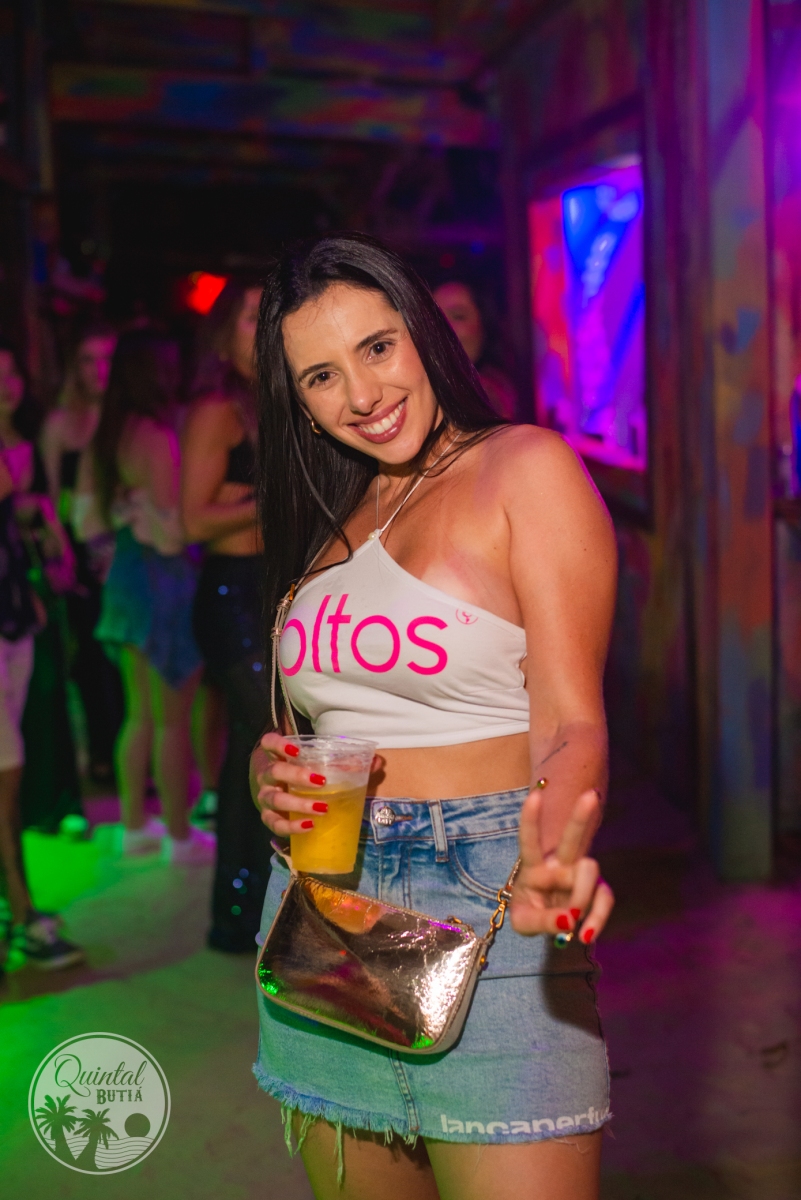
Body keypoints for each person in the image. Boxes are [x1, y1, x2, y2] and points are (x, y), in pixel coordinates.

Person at [250, 234, 616, 1200]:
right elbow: (315, 721)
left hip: (490, 899)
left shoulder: (522, 468)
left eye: (377, 347)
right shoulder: (331, 513)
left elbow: (570, 724)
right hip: (319, 909)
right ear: (298, 402)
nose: (362, 394)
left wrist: (555, 848)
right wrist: (268, 775)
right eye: (321, 376)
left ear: (421, 330)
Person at [75, 330, 212, 863]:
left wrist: (127, 517)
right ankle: (178, 835)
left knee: (139, 715)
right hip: (163, 581)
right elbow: (173, 532)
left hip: (126, 575)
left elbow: (85, 521)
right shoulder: (156, 435)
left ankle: (134, 825)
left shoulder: (109, 434)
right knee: (172, 718)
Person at [181, 280, 273, 952]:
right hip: (230, 595)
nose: (264, 325)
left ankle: (251, 909)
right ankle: (238, 912)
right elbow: (193, 519)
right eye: (250, 315)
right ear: (224, 332)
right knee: (258, 742)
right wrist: (271, 497)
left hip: (270, 588)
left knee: (258, 743)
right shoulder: (217, 410)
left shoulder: (272, 404)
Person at [0, 343, 84, 971]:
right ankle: (23, 915)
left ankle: (19, 909)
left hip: (14, 622)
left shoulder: (22, 443)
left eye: (9, 371)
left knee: (10, 773)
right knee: (5, 776)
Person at [40, 324, 123, 787]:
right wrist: (62, 556)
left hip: (127, 548)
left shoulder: (128, 420)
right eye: (89, 360)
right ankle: (102, 755)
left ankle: (135, 760)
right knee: (91, 659)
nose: (98, 370)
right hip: (81, 554)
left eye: (106, 359)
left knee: (127, 658)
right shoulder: (60, 423)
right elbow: (52, 500)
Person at [433, 280, 518, 421]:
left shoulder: (486, 393)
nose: (443, 328)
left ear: (484, 324)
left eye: (458, 316)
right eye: (435, 318)